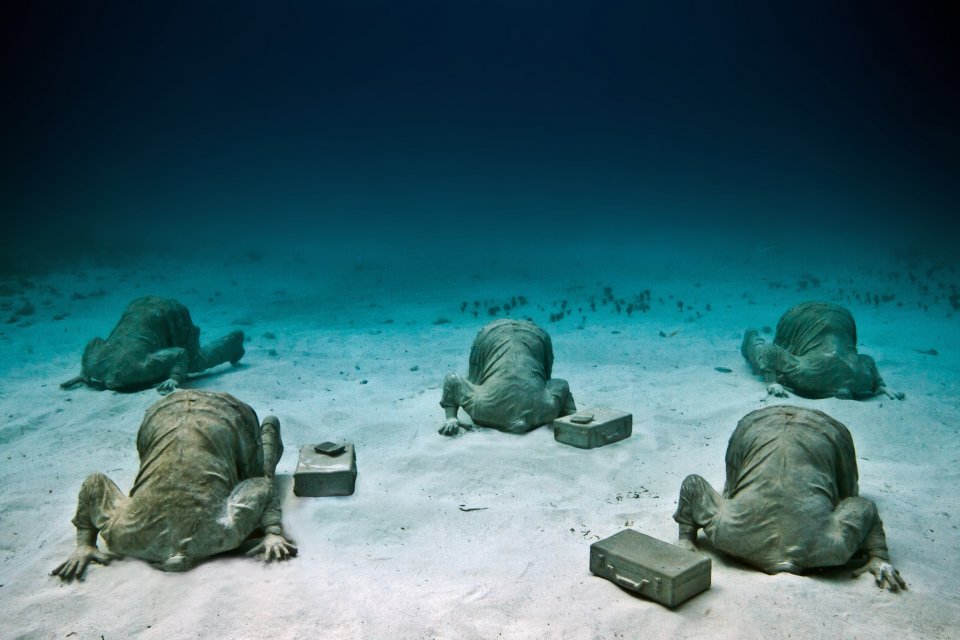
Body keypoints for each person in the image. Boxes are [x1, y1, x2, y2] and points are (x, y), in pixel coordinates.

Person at [51, 390, 296, 580]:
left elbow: (94, 484)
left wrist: (84, 544)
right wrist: (272, 531)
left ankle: (269, 429)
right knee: (259, 473)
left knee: (259, 473)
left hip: (180, 414)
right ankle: (269, 428)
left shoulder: (222, 531)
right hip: (202, 414)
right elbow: (261, 487)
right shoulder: (126, 535)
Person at [673, 405, 905, 592]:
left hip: (767, 426)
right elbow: (864, 505)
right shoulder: (729, 533)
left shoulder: (833, 546)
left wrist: (687, 539)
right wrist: (878, 557)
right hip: (803, 428)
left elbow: (864, 507)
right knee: (845, 490)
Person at [61, 296, 245, 394]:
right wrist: (84, 372)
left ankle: (235, 341)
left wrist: (175, 377)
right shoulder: (98, 363)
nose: (111, 383)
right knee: (186, 361)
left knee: (194, 362)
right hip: (141, 309)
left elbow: (181, 353)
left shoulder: (101, 364)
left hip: (170, 314)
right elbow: (95, 342)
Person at [741, 301, 903, 400]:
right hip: (804, 316)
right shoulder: (862, 378)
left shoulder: (807, 373)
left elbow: (770, 351)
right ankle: (750, 336)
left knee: (764, 355)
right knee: (763, 355)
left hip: (816, 316)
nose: (844, 392)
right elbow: (867, 360)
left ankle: (751, 336)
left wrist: (772, 381)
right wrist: (879, 386)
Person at [439, 319, 577, 435]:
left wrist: (451, 417)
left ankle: (451, 419)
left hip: (486, 410)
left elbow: (454, 379)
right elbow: (552, 377)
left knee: (455, 379)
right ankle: (572, 417)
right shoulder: (542, 338)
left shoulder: (483, 337)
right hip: (542, 409)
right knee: (561, 385)